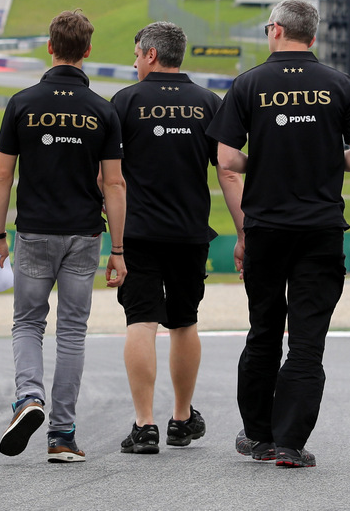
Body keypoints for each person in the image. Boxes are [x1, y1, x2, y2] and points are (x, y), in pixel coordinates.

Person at [207, 0, 350, 468]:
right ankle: (290, 443)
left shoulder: (248, 83)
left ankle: (258, 436)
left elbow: (225, 161)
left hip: (265, 227)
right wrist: (323, 160)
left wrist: (265, 162)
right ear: (314, 37)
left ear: (276, 31)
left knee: (263, 331)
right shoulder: (340, 84)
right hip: (321, 228)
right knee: (306, 341)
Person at [0, 10, 126, 463]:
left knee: (28, 322)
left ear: (49, 47)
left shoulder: (22, 102)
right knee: (71, 331)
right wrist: (119, 250)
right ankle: (62, 435)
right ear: (88, 51)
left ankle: (29, 398)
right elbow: (115, 184)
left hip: (33, 231)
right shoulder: (103, 109)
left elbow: (1, 175)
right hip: (84, 234)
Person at [110, 22, 244, 455]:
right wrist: (244, 233)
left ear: (150, 54)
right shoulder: (208, 102)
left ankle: (144, 423)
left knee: (141, 322)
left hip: (138, 234)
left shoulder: (125, 103)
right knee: (184, 321)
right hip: (189, 232)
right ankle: (182, 419)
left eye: (135, 54)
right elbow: (227, 170)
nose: (134, 62)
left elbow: (106, 176)